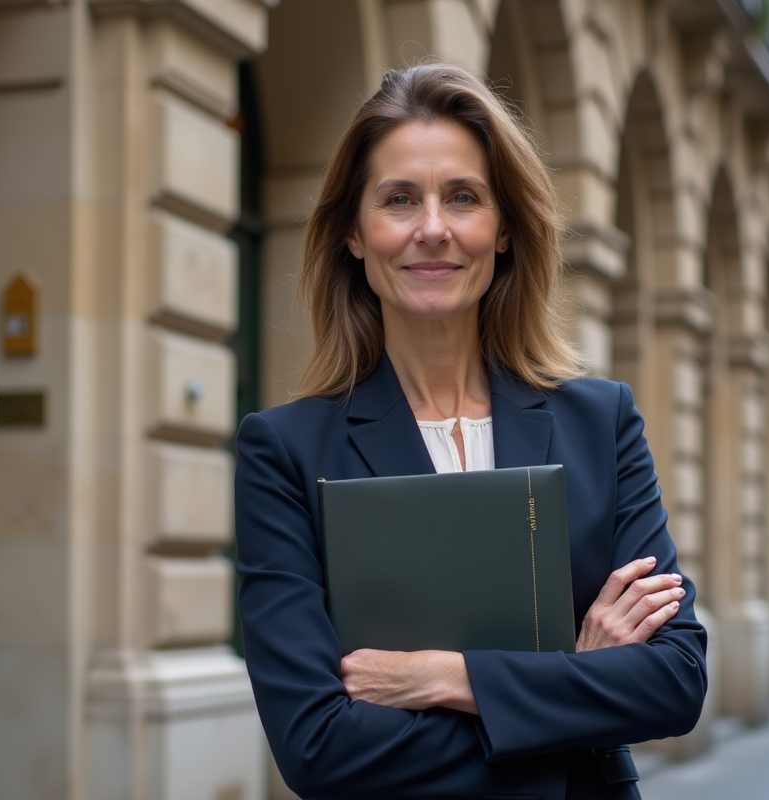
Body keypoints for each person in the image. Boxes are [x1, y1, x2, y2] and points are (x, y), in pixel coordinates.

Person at [233, 63, 707, 799]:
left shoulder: (600, 423)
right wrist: (577, 687)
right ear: (354, 235)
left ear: (506, 228)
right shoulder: (286, 453)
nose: (432, 229)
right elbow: (317, 746)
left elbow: (675, 680)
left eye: (463, 197)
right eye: (399, 199)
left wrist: (444, 678)